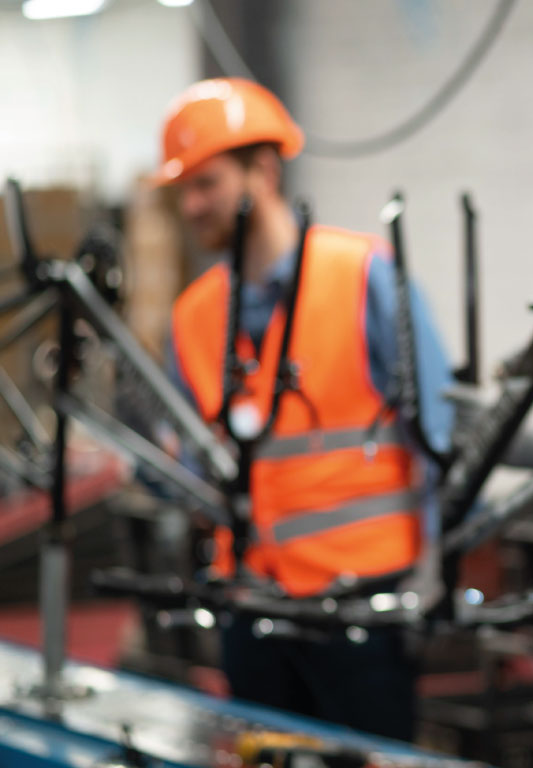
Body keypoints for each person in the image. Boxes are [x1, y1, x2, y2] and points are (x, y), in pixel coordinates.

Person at [157, 77, 454, 740]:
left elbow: (440, 437)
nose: (191, 205)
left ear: (263, 170)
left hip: (365, 613)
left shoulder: (365, 277)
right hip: (250, 609)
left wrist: (432, 582)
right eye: (183, 190)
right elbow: (189, 460)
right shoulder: (193, 316)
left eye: (205, 183)